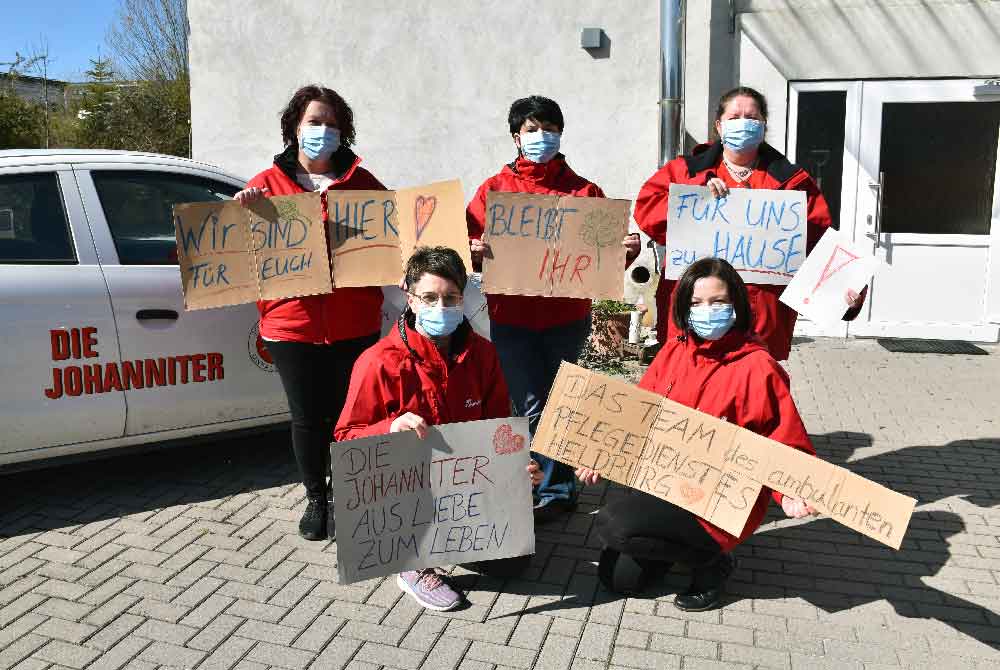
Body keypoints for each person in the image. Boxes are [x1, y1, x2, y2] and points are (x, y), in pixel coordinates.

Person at [577, 257, 818, 611]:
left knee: (615, 524)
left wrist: (790, 492)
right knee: (618, 579)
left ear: (737, 303)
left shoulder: (759, 367)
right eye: (696, 303)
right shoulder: (674, 350)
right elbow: (637, 408)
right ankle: (672, 545)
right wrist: (602, 450)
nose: (707, 311)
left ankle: (713, 561)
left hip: (719, 500)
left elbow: (784, 438)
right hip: (667, 482)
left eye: (718, 301)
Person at [335, 246, 543, 611]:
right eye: (429, 297)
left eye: (451, 298)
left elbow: (499, 430)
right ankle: (411, 566)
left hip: (461, 485)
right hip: (405, 491)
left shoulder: (484, 354)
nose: (441, 308)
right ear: (410, 299)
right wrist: (389, 427)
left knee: (516, 563)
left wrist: (518, 467)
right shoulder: (378, 363)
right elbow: (346, 437)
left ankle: (449, 538)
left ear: (464, 298)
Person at [467, 95, 641, 523]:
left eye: (548, 128)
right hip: (512, 319)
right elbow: (466, 247)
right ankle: (536, 483)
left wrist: (627, 253)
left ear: (561, 134)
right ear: (515, 137)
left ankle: (559, 489)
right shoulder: (494, 191)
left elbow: (602, 261)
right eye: (531, 129)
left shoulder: (585, 193)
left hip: (569, 319)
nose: (540, 136)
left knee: (564, 402)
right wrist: (474, 250)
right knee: (529, 405)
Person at [234, 85, 387, 541]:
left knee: (348, 414)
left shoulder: (365, 184)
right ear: (294, 128)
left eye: (333, 125)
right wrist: (244, 216)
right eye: (315, 122)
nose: (324, 131)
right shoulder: (266, 183)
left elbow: (393, 240)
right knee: (306, 417)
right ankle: (316, 498)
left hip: (353, 321)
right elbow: (244, 254)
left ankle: (348, 492)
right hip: (291, 324)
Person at [633, 86, 866, 361]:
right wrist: (698, 196)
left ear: (763, 125)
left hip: (761, 322)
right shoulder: (685, 171)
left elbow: (816, 247)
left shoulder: (793, 183)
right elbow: (647, 213)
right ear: (719, 126)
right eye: (734, 117)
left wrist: (845, 293)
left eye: (751, 117)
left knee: (752, 397)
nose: (743, 123)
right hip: (695, 314)